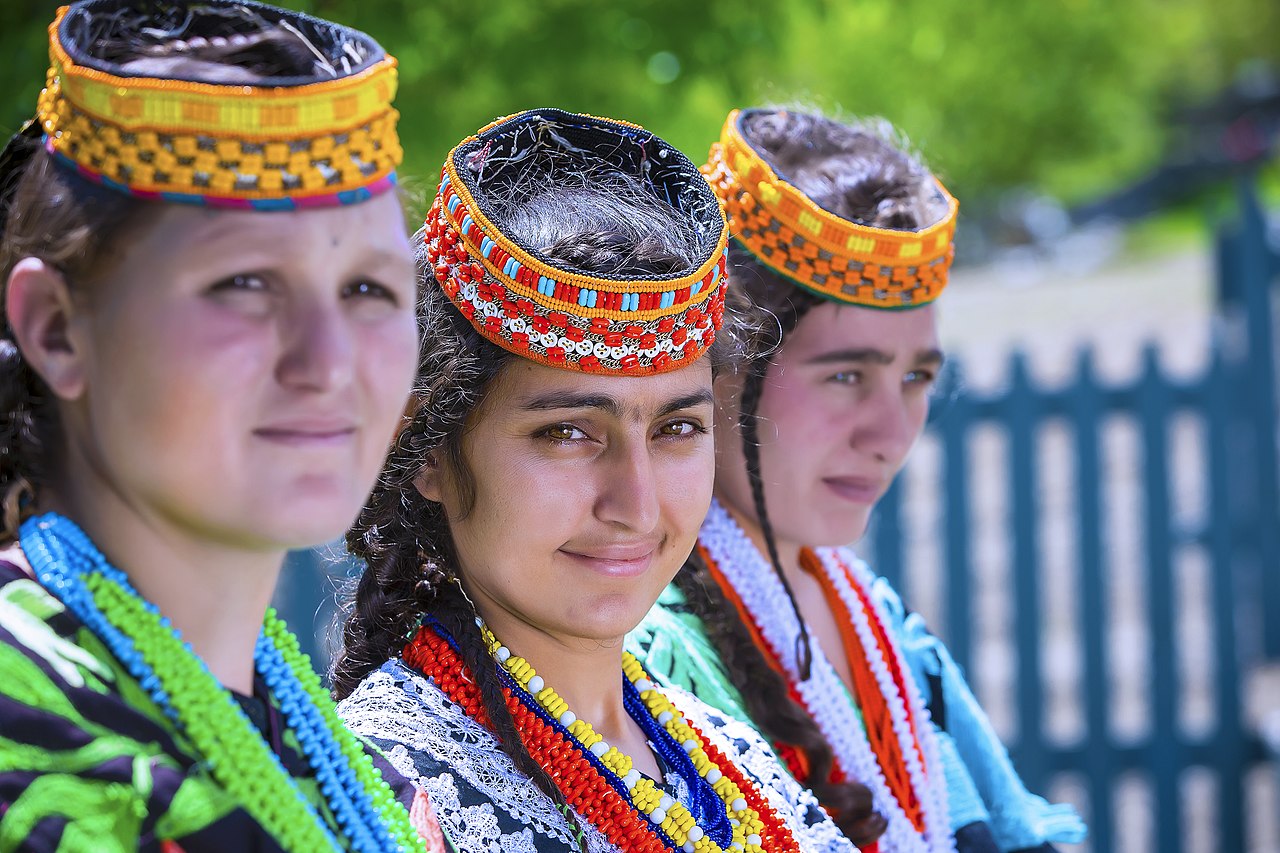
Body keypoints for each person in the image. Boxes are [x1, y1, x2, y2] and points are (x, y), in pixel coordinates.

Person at [331, 107, 865, 853]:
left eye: (676, 429)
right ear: (427, 450)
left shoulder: (735, 767)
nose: (637, 504)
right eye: (568, 433)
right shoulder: (381, 800)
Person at [0, 1, 443, 849]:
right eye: (244, 282)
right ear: (57, 329)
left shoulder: (354, 774)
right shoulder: (24, 733)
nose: (328, 363)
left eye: (368, 290)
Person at [629, 108, 1087, 853]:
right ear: (719, 370)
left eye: (916, 377)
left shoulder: (873, 617)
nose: (892, 431)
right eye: (845, 374)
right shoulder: (641, 645)